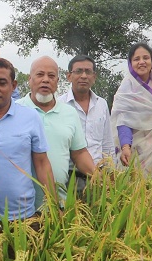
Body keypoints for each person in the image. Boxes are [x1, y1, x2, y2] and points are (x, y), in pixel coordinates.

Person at [0, 57, 55, 222]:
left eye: (2, 83)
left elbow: (41, 163)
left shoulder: (30, 117)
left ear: (13, 86)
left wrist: (53, 206)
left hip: (26, 218)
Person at [17, 56, 95, 207]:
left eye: (51, 76)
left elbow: (79, 153)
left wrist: (98, 175)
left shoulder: (69, 113)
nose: (46, 80)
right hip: (21, 208)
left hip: (58, 205)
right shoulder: (15, 110)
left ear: (57, 82)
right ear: (30, 79)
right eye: (40, 75)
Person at [111, 42, 152, 176]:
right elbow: (123, 120)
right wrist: (125, 147)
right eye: (136, 59)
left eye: (146, 58)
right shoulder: (126, 88)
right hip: (134, 148)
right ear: (130, 63)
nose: (142, 62)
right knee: (134, 188)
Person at [58, 55, 115, 192]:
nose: (83, 76)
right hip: (70, 178)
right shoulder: (59, 105)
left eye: (88, 72)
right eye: (78, 71)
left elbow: (107, 142)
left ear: (94, 77)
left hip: (99, 177)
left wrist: (111, 174)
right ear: (69, 76)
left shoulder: (101, 104)